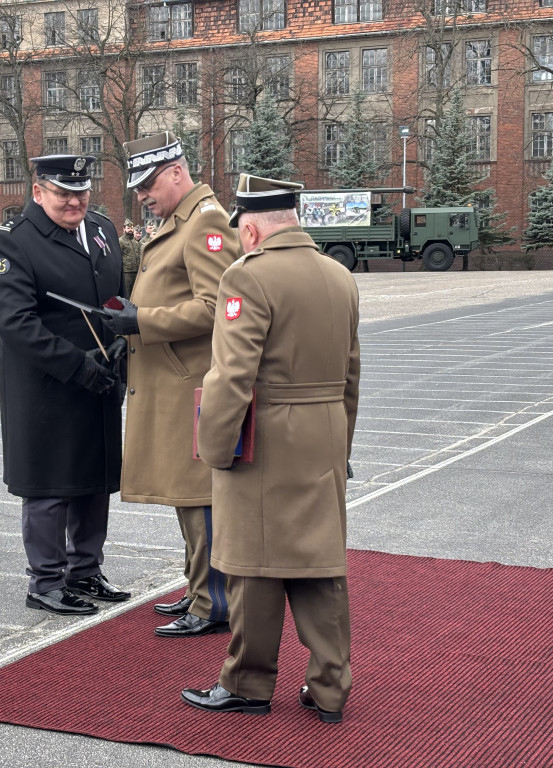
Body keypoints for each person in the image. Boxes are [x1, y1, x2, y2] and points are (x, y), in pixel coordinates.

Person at [180, 174, 360, 721]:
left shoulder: (246, 277)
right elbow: (351, 374)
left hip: (266, 437)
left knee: (253, 563)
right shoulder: (339, 276)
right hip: (323, 433)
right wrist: (340, 444)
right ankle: (330, 687)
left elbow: (231, 375)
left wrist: (214, 447)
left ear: (252, 229)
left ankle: (247, 682)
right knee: (319, 562)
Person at [102, 131, 240, 637]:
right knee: (187, 494)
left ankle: (214, 601)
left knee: (199, 494)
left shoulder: (204, 223)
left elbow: (218, 306)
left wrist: (142, 321)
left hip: (190, 384)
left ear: (177, 172)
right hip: (172, 379)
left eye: (147, 185)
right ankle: (199, 587)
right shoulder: (180, 219)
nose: (141, 195)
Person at [0, 154, 130, 616]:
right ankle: (46, 581)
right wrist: (75, 365)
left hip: (100, 377)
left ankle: (85, 569)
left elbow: (115, 296)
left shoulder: (102, 230)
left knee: (94, 479)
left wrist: (122, 339)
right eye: (64, 194)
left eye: (82, 193)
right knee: (50, 485)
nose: (75, 202)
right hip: (46, 386)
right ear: (38, 191)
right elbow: (16, 323)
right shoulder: (14, 242)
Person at [118, 219, 141, 298]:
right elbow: (118, 256)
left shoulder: (136, 242)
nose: (130, 229)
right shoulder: (121, 241)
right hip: (126, 272)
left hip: (136, 271)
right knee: (127, 293)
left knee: (136, 293)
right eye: (128, 228)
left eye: (131, 228)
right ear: (124, 229)